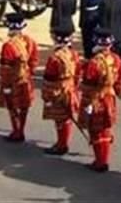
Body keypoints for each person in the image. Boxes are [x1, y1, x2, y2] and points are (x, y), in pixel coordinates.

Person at [79, 26, 121, 172]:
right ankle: (104, 159)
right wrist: (116, 91)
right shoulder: (116, 59)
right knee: (106, 129)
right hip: (109, 97)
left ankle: (100, 161)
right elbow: (119, 81)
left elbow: (88, 84)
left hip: (96, 99)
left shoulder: (94, 62)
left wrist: (85, 101)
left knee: (96, 130)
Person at [0, 12, 39, 142]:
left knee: (13, 106)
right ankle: (21, 129)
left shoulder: (8, 45)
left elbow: (6, 68)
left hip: (13, 80)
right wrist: (29, 73)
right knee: (24, 106)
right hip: (26, 78)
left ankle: (17, 131)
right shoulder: (30, 41)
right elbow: (34, 60)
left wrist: (6, 85)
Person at [42, 23, 80, 155]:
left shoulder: (55, 57)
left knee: (59, 119)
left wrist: (46, 95)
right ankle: (63, 142)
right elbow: (78, 73)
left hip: (57, 89)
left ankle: (61, 144)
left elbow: (49, 78)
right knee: (67, 117)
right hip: (70, 88)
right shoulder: (74, 54)